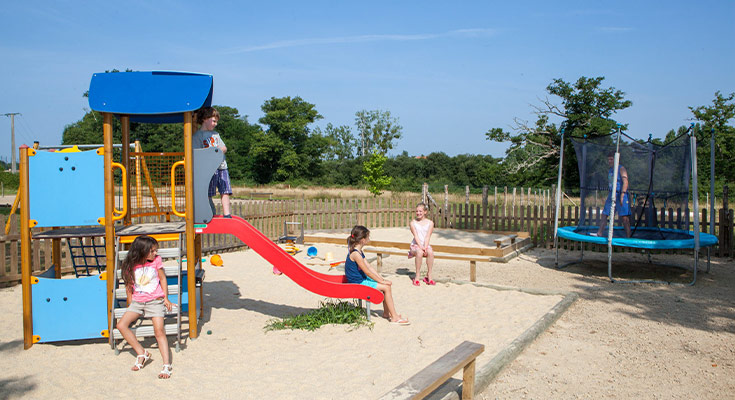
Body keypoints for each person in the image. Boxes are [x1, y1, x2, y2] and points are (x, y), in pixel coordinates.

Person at [116, 235, 174, 379]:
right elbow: (129, 285)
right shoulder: (131, 264)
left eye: (155, 251)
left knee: (159, 330)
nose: (155, 253)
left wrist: (166, 298)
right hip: (138, 301)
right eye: (152, 251)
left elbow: (162, 278)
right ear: (142, 251)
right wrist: (130, 303)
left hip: (155, 300)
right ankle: (142, 353)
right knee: (121, 325)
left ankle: (166, 365)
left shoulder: (156, 261)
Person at [345, 225, 409, 325]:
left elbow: (369, 267)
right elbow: (367, 272)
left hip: (361, 279)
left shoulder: (359, 251)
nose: (369, 239)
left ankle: (387, 313)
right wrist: (381, 282)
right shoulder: (356, 254)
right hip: (358, 282)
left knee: (386, 286)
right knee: (386, 288)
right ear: (362, 240)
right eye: (367, 237)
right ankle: (394, 317)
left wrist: (381, 279)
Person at [193, 107, 232, 218]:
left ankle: (227, 214)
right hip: (208, 170)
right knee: (208, 192)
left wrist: (220, 150)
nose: (215, 124)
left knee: (225, 190)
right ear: (205, 119)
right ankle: (210, 213)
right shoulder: (198, 136)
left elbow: (224, 147)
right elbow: (197, 153)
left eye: (216, 121)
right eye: (214, 121)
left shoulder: (216, 135)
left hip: (221, 166)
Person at [596, 151, 632, 238]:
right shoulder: (610, 170)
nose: (609, 161)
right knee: (605, 214)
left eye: (611, 159)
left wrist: (622, 195)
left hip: (620, 194)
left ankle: (628, 237)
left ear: (616, 160)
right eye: (608, 159)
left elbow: (625, 182)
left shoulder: (621, 168)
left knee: (624, 218)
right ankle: (599, 233)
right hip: (612, 194)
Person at [408, 203, 435, 286]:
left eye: (420, 211)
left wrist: (425, 247)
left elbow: (427, 236)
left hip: (425, 244)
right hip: (416, 244)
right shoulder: (413, 223)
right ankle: (417, 276)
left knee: (430, 252)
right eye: (417, 211)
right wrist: (421, 247)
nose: (418, 213)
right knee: (419, 252)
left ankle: (429, 275)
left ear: (425, 212)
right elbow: (416, 236)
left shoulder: (430, 223)